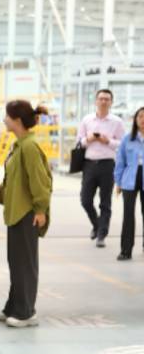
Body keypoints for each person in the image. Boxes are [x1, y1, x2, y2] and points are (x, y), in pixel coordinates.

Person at [0, 100, 51, 327]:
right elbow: (14, 182)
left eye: (7, 116)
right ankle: (14, 306)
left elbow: (40, 182)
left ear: (16, 120)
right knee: (16, 263)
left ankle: (26, 313)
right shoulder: (19, 145)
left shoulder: (29, 147)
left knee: (25, 264)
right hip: (16, 213)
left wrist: (41, 210)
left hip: (27, 214)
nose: (4, 120)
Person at [77, 88, 125, 248]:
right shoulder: (87, 120)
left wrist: (108, 141)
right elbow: (79, 142)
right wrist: (89, 139)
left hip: (107, 165)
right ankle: (97, 225)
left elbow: (122, 144)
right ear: (96, 101)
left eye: (107, 99)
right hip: (89, 164)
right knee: (85, 200)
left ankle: (101, 235)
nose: (104, 101)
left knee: (105, 202)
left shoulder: (117, 122)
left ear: (111, 102)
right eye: (101, 98)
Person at [114, 108, 144, 261]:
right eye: (140, 116)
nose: (143, 119)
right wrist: (118, 182)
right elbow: (120, 161)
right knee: (128, 216)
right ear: (135, 119)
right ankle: (126, 250)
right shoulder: (127, 139)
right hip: (129, 179)